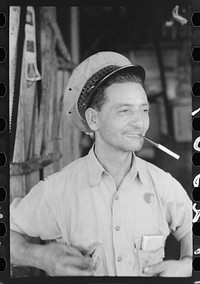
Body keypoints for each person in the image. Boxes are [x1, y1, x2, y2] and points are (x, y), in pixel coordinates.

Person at [10, 51, 192, 277]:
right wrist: (42, 258)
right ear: (94, 119)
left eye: (144, 110)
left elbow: (191, 229)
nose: (139, 122)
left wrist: (188, 264)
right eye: (125, 110)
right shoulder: (57, 191)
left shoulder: (163, 185)